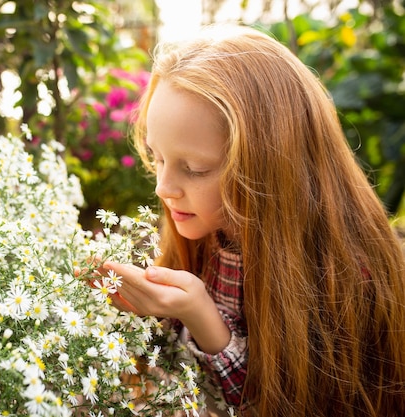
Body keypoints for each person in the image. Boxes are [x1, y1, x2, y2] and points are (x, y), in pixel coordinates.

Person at [102, 24, 405, 417]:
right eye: (156, 157)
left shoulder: (342, 280)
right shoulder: (205, 233)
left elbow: (281, 401)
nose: (163, 187)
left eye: (194, 168)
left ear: (269, 167)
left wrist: (200, 315)